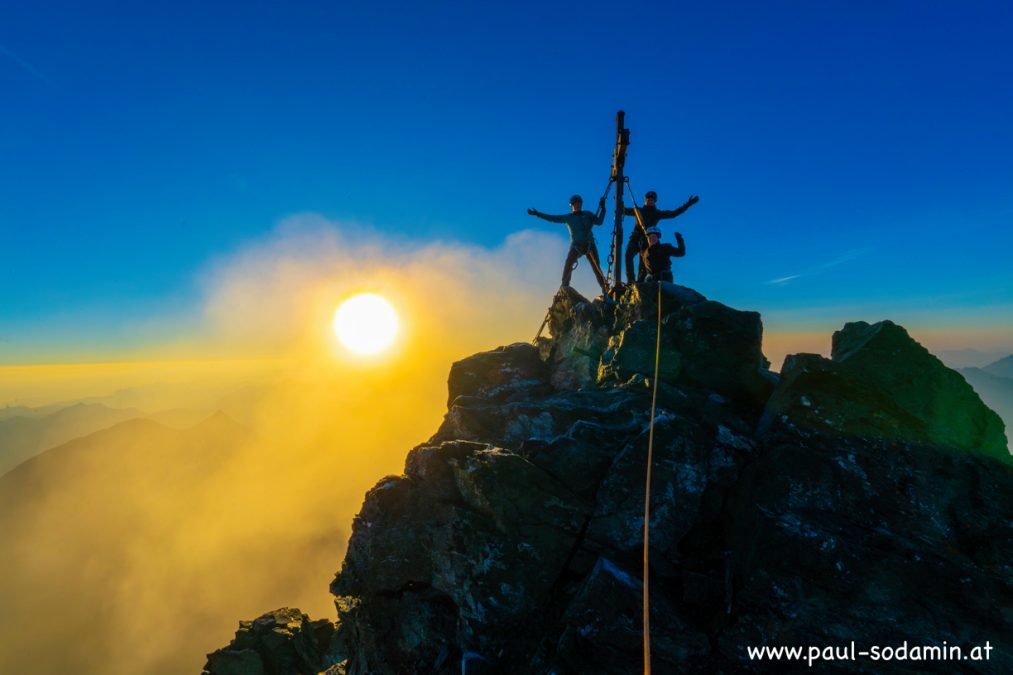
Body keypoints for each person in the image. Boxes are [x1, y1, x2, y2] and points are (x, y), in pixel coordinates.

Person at [527, 194, 608, 293]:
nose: (578, 205)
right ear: (572, 205)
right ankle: (564, 287)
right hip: (577, 245)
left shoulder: (588, 214)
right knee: (568, 264)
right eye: (575, 203)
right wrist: (538, 214)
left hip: (589, 244)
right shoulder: (568, 217)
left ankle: (604, 287)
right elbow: (553, 218)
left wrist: (603, 209)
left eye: (579, 203)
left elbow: (599, 222)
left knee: (596, 266)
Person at [624, 191, 698, 284]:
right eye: (648, 199)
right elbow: (623, 210)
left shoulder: (657, 213)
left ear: (655, 202)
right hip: (636, 237)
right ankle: (630, 281)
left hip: (649, 239)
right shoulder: (638, 211)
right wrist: (619, 202)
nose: (650, 201)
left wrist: (688, 204)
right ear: (645, 200)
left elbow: (674, 213)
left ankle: (640, 284)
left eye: (652, 200)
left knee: (644, 264)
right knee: (628, 254)